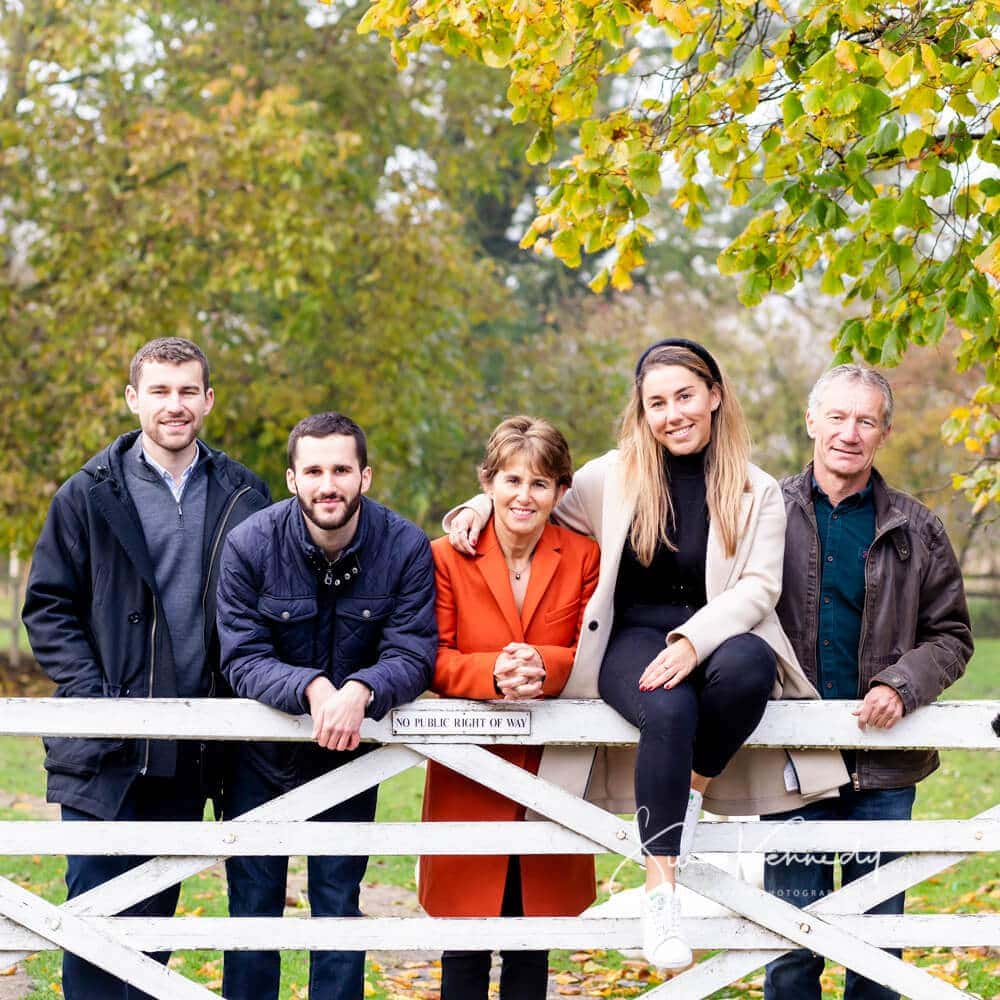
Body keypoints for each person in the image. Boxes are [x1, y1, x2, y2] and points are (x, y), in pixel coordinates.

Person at [446, 339, 848, 970]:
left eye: (685, 396)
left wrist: (694, 642)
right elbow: (536, 494)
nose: (672, 414)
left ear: (714, 396)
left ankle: (688, 791)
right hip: (630, 634)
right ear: (642, 410)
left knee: (749, 668)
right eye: (656, 402)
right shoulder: (615, 474)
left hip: (715, 631)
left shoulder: (756, 488)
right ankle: (661, 889)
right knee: (667, 708)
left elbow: (759, 586)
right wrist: (476, 504)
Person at [21, 337, 271, 1000]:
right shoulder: (85, 494)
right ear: (133, 399)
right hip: (103, 752)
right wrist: (95, 699)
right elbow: (48, 606)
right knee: (95, 920)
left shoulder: (246, 494)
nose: (174, 404)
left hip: (192, 751)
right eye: (159, 391)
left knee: (154, 930)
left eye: (188, 390)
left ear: (208, 400)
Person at [763, 365, 973, 1000]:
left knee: (876, 947)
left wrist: (902, 684)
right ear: (811, 422)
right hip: (789, 766)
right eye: (836, 417)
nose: (848, 433)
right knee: (789, 946)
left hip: (883, 772)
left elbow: (952, 635)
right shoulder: (763, 513)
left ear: (884, 431)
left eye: (865, 420)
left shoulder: (919, 528)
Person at [216, 411, 437, 1000]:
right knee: (252, 907)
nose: (327, 484)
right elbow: (241, 656)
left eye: (341, 469)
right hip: (258, 761)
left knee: (338, 906)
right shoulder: (249, 545)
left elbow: (414, 653)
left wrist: (363, 689)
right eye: (313, 470)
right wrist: (313, 688)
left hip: (351, 760)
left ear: (366, 476)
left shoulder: (406, 546)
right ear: (291, 478)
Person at [419, 416, 601, 999]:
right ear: (489, 483)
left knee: (533, 946)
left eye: (540, 484)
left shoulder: (583, 557)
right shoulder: (445, 557)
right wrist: (491, 672)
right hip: (469, 771)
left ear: (561, 492)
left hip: (551, 766)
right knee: (464, 948)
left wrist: (546, 666)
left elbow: (591, 648)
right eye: (512, 480)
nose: (525, 496)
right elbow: (431, 657)